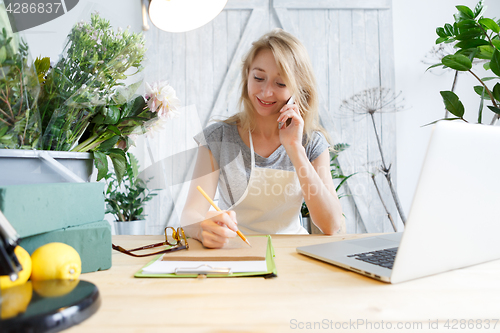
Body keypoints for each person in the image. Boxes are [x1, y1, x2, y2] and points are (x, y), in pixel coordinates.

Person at [181, 29, 344, 248]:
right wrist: (202, 229)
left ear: (298, 88)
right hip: (237, 253)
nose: (266, 92)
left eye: (281, 83)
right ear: (247, 75)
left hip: (293, 254)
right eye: (259, 78)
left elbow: (331, 225)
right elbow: (190, 215)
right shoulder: (218, 137)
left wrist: (295, 148)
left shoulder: (311, 142)